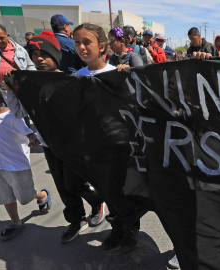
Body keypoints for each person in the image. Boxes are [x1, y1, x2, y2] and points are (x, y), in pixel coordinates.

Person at [3, 30, 106, 244]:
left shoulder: (71, 80)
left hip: (72, 144)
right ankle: (76, 220)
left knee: (74, 183)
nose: (39, 58)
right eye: (34, 54)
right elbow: (20, 112)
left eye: (44, 53)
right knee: (62, 186)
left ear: (55, 55)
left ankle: (97, 202)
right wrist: (10, 91)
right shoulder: (29, 84)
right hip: (49, 145)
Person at [73, 23, 142, 252]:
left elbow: (133, 106)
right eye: (77, 43)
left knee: (122, 189)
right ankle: (117, 228)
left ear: (102, 46)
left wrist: (125, 80)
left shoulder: (115, 74)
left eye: (87, 42)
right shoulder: (75, 78)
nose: (82, 47)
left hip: (117, 145)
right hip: (91, 146)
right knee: (105, 189)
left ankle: (131, 228)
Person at [0, 80, 52, 241]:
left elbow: (29, 133)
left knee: (26, 194)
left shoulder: (11, 116)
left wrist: (33, 139)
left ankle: (41, 196)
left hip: (16, 166)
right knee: (6, 196)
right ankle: (15, 221)